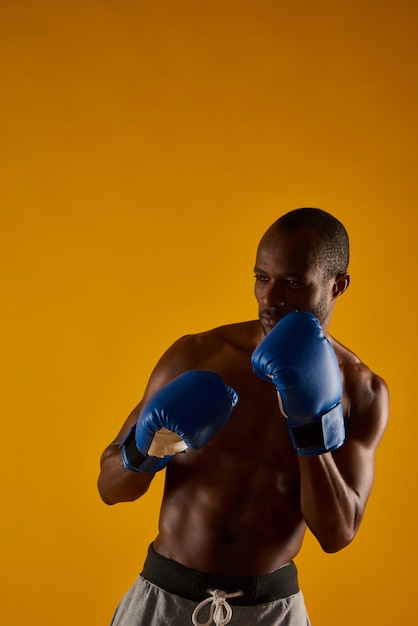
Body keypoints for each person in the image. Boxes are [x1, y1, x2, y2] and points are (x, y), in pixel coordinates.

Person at [97, 207, 389, 626]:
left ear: (337, 284)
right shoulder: (198, 355)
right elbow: (110, 488)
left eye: (291, 282)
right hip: (164, 602)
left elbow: (337, 533)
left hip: (272, 612)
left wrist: (309, 427)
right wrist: (149, 447)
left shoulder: (362, 392)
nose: (270, 298)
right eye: (261, 278)